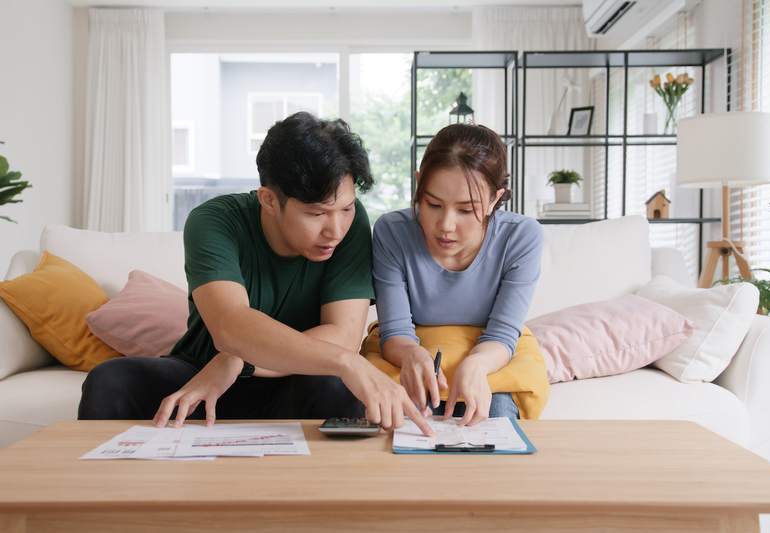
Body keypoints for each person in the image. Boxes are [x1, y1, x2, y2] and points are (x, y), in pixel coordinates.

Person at [78, 112, 432, 436]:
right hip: (202, 373)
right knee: (110, 380)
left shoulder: (351, 230)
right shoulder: (214, 221)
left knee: (333, 386)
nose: (335, 229)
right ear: (268, 200)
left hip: (291, 377)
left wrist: (239, 361)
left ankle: (326, 501)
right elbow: (231, 326)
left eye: (346, 208)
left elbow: (343, 334)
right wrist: (344, 362)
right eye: (316, 214)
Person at [366, 123, 549, 427]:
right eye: (433, 204)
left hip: (492, 354)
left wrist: (476, 364)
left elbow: (502, 334)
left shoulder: (521, 236)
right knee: (399, 420)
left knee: (495, 414)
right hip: (409, 351)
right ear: (418, 186)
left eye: (466, 210)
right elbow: (396, 331)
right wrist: (413, 355)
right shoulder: (392, 232)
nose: (446, 225)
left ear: (494, 199)